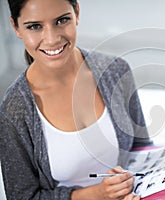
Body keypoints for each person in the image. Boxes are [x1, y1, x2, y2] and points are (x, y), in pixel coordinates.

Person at [0, 0, 152, 199]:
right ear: (16, 27)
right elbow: (23, 197)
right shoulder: (14, 110)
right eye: (35, 26)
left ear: (77, 13)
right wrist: (97, 194)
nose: (52, 39)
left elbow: (143, 150)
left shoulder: (116, 71)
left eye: (62, 20)